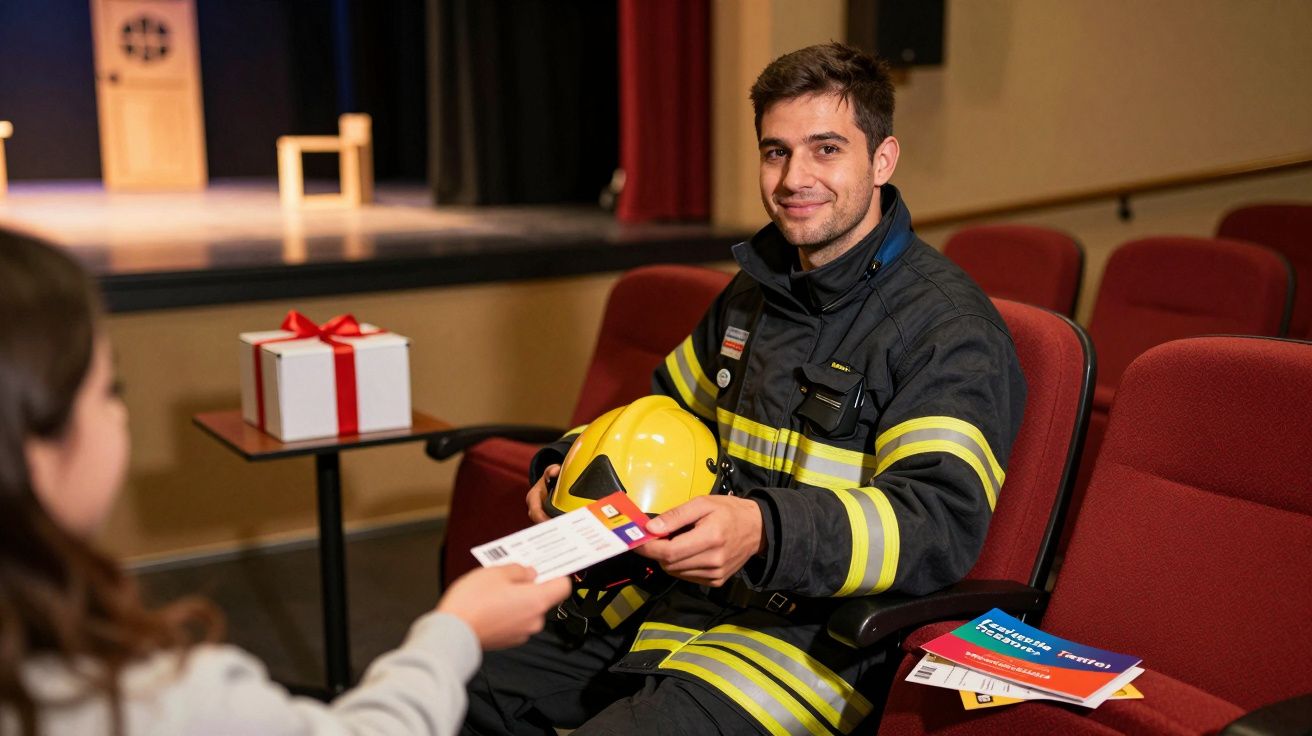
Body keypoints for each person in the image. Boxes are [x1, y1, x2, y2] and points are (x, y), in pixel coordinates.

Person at [462, 42, 1027, 736]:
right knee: (453, 681)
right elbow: (662, 409)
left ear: (882, 161)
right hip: (678, 595)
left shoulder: (947, 328)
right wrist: (563, 468)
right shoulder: (757, 288)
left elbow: (938, 523)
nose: (795, 178)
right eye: (775, 152)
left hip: (814, 644)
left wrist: (764, 530)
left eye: (825, 149)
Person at [0, 230, 571, 735]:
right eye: (108, 391)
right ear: (35, 446)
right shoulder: (163, 701)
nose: (121, 415)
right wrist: (457, 630)